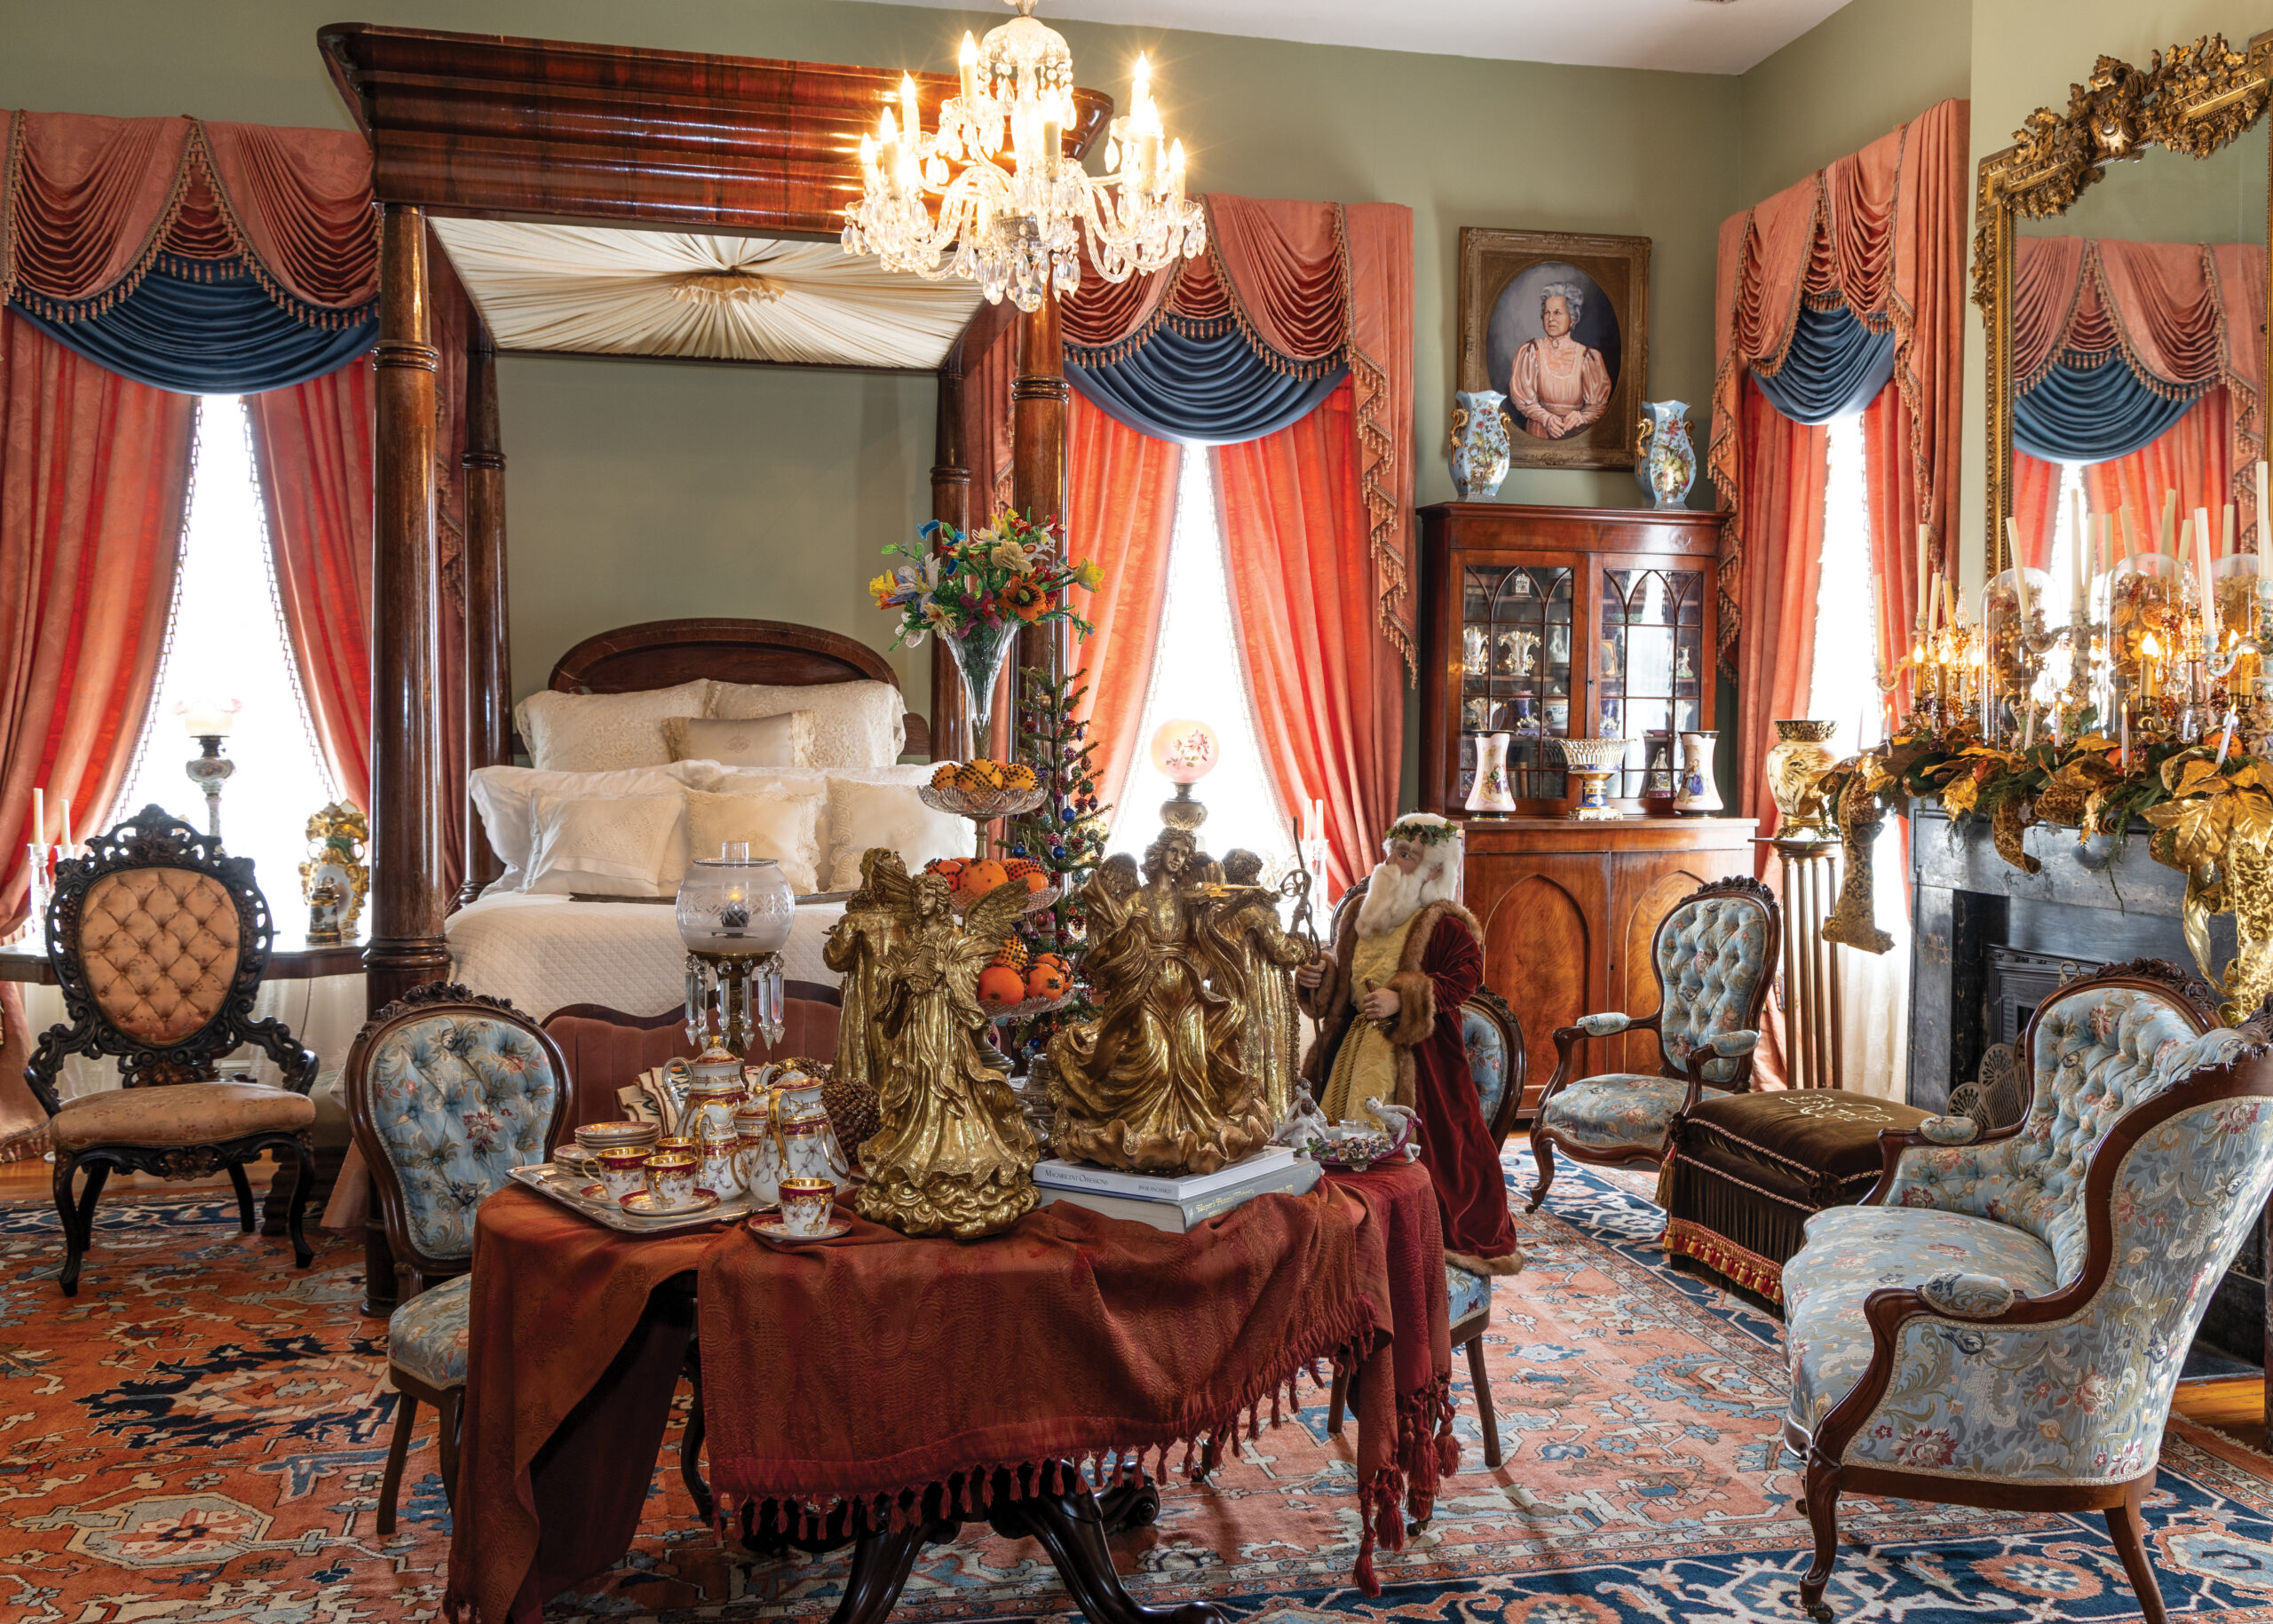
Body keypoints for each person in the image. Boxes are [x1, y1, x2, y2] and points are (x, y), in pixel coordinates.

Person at [1297, 812, 1522, 1274]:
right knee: (1331, 1142)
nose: (1389, 863)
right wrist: (1318, 977)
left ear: (1434, 869)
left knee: (1423, 1156)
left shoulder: (1447, 925)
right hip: (1351, 1053)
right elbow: (1343, 983)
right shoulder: (1361, 913)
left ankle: (1399, 1236)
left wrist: (1404, 997)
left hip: (1419, 1062)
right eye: (1391, 852)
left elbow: (1464, 978)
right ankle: (1341, 1234)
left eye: (1405, 856)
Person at [1506, 281, 1612, 440]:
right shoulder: (1531, 352)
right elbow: (1523, 400)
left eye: (1557, 313)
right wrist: (1546, 418)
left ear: (1572, 319)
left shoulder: (1587, 357)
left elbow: (1597, 406)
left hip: (1575, 438)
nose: (1550, 319)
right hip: (1538, 434)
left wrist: (1581, 417)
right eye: (1547, 313)